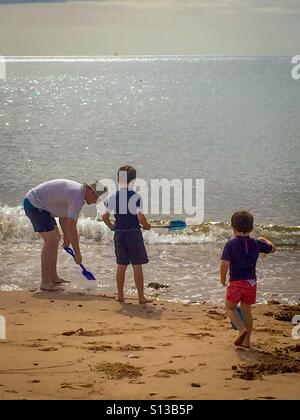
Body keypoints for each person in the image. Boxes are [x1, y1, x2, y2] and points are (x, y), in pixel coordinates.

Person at [23, 179, 107, 291]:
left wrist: (67, 239)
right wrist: (77, 253)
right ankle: (45, 282)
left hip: (43, 206)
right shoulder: (77, 195)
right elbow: (72, 228)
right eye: (97, 199)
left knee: (56, 238)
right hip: (34, 204)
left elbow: (64, 216)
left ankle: (53, 277)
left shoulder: (79, 194)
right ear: (91, 191)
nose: (95, 203)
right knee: (51, 241)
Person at [220, 210, 276, 348]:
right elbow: (273, 249)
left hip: (236, 282)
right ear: (251, 228)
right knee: (246, 310)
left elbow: (224, 264)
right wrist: (265, 240)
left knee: (230, 308)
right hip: (251, 283)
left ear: (233, 228)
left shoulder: (230, 244)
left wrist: (222, 279)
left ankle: (241, 330)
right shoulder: (256, 243)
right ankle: (246, 342)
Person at [102, 165, 153, 304]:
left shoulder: (113, 197)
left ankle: (120, 295)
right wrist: (147, 226)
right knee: (137, 266)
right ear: (133, 181)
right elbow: (140, 217)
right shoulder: (135, 197)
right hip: (133, 234)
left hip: (119, 234)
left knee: (121, 265)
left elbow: (105, 216)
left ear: (118, 179)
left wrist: (112, 227)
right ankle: (141, 297)